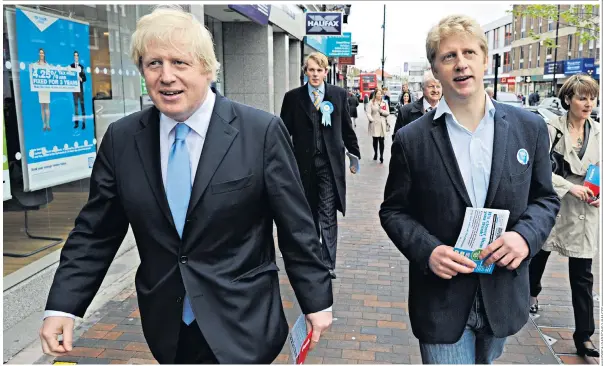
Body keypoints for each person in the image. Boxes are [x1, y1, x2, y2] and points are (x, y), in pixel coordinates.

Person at [39, 7, 333, 364]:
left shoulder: (260, 132)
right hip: (168, 325)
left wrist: (316, 299)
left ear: (207, 68)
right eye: (153, 63)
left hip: (243, 320)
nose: (166, 76)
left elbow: (296, 227)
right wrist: (63, 305)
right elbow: (95, 232)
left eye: (179, 62)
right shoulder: (123, 139)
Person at [380, 14, 560, 364]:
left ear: (483, 59)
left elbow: (545, 198)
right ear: (435, 69)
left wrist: (524, 237)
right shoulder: (411, 139)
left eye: (468, 53)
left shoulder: (529, 128)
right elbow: (393, 211)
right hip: (441, 298)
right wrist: (427, 250)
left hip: (503, 294)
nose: (460, 64)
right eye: (448, 56)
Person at [528, 74, 600, 358]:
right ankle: (531, 292)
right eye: (582, 97)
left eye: (592, 97)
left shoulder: (598, 132)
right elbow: (541, 170)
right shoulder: (551, 129)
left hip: (585, 210)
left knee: (583, 275)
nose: (588, 103)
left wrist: (597, 193)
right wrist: (570, 187)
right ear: (568, 99)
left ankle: (584, 335)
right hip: (554, 202)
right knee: (539, 256)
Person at [280, 52, 361, 279]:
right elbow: (284, 134)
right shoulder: (293, 98)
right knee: (307, 214)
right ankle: (312, 258)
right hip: (302, 166)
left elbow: (346, 129)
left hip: (329, 165)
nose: (315, 74)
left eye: (319, 70)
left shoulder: (338, 95)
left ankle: (327, 263)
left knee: (327, 213)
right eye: (311, 70)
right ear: (305, 71)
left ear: (326, 72)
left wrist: (355, 154)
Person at [392, 71, 441, 139]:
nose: (435, 90)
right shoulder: (405, 111)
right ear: (422, 88)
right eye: (431, 86)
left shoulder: (451, 112)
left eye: (438, 86)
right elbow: (397, 140)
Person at [366, 88, 390, 163]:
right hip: (374, 123)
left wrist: (382, 111)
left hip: (382, 124)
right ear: (375, 94)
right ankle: (376, 153)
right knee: (375, 140)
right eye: (378, 94)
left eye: (380, 94)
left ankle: (381, 156)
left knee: (382, 141)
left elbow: (388, 113)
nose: (379, 95)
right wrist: (371, 119)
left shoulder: (384, 103)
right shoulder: (371, 102)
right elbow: (368, 112)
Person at [34, 48, 51, 131]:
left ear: (44, 54)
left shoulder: (47, 65)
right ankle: (44, 124)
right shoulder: (36, 64)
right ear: (38, 54)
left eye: (42, 53)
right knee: (42, 107)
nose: (41, 54)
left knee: (47, 106)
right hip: (40, 88)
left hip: (46, 88)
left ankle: (48, 124)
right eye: (40, 53)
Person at [70, 51, 87, 129]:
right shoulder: (71, 66)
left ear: (78, 57)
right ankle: (76, 123)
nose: (76, 57)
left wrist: (81, 79)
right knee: (76, 107)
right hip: (74, 90)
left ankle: (84, 123)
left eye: (77, 56)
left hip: (80, 89)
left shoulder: (81, 67)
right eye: (75, 56)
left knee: (82, 106)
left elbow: (85, 78)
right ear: (74, 57)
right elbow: (69, 77)